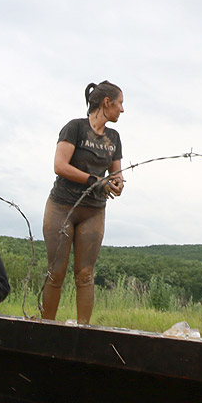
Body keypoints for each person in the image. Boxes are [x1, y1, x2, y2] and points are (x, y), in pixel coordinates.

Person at [41, 80, 124, 324]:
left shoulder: (114, 137)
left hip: (94, 211)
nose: (122, 109)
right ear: (106, 103)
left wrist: (117, 184)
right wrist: (95, 180)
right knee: (56, 271)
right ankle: (47, 328)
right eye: (120, 103)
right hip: (62, 206)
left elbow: (116, 174)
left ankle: (83, 331)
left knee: (85, 274)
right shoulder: (74, 128)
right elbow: (60, 166)